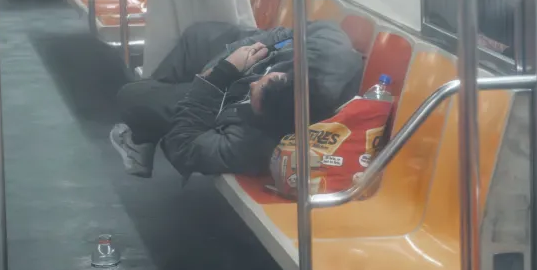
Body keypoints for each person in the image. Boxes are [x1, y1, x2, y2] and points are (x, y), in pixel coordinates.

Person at [110, 20, 363, 178]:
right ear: (284, 77)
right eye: (262, 82)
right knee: (198, 34)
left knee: (133, 97)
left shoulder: (248, 143)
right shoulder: (328, 58)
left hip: (219, 100)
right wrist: (257, 50)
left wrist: (215, 79)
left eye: (255, 93)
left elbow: (185, 145)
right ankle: (153, 123)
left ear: (261, 118)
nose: (254, 84)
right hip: (253, 62)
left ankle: (145, 132)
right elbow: (295, 33)